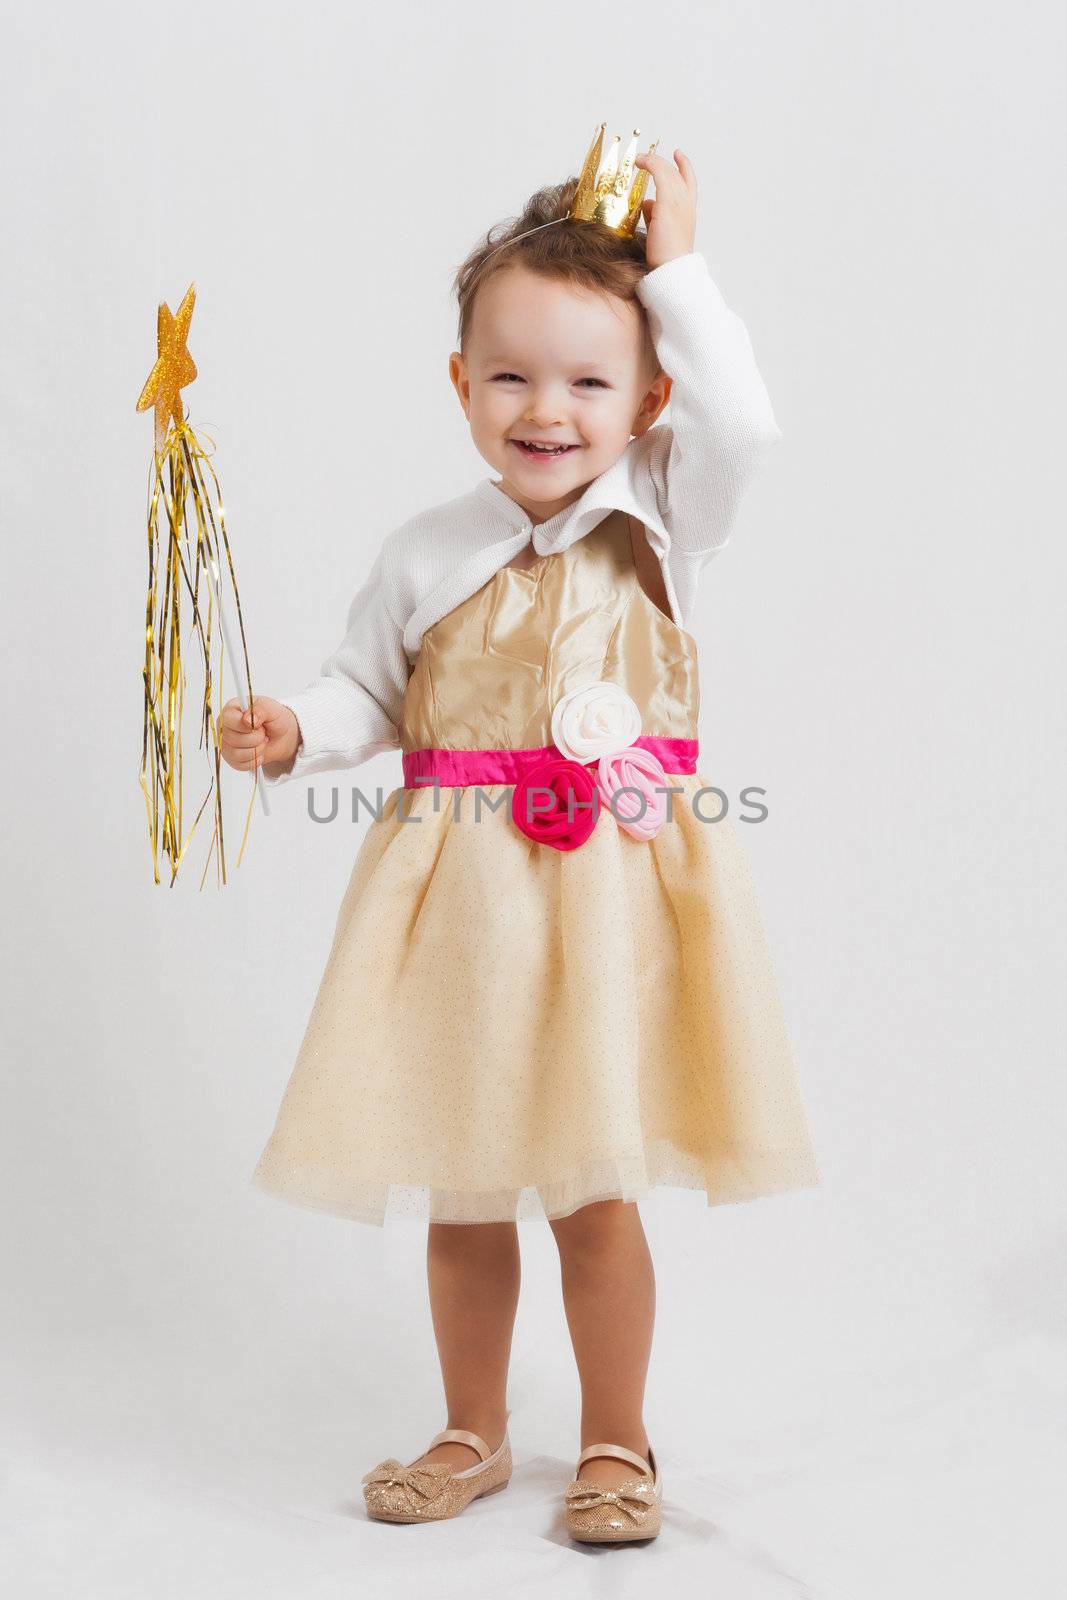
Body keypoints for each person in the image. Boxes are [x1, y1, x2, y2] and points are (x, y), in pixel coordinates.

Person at [220, 143, 820, 1544]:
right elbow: (366, 688)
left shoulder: (664, 513)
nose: (546, 410)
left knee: (596, 1191)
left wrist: (675, 266)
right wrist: (292, 731)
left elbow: (748, 428)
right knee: (468, 1183)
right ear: (461, 385)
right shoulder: (426, 548)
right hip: (466, 906)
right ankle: (471, 1429)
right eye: (510, 378)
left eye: (589, 382)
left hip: (609, 907)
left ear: (648, 398)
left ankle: (617, 1441)